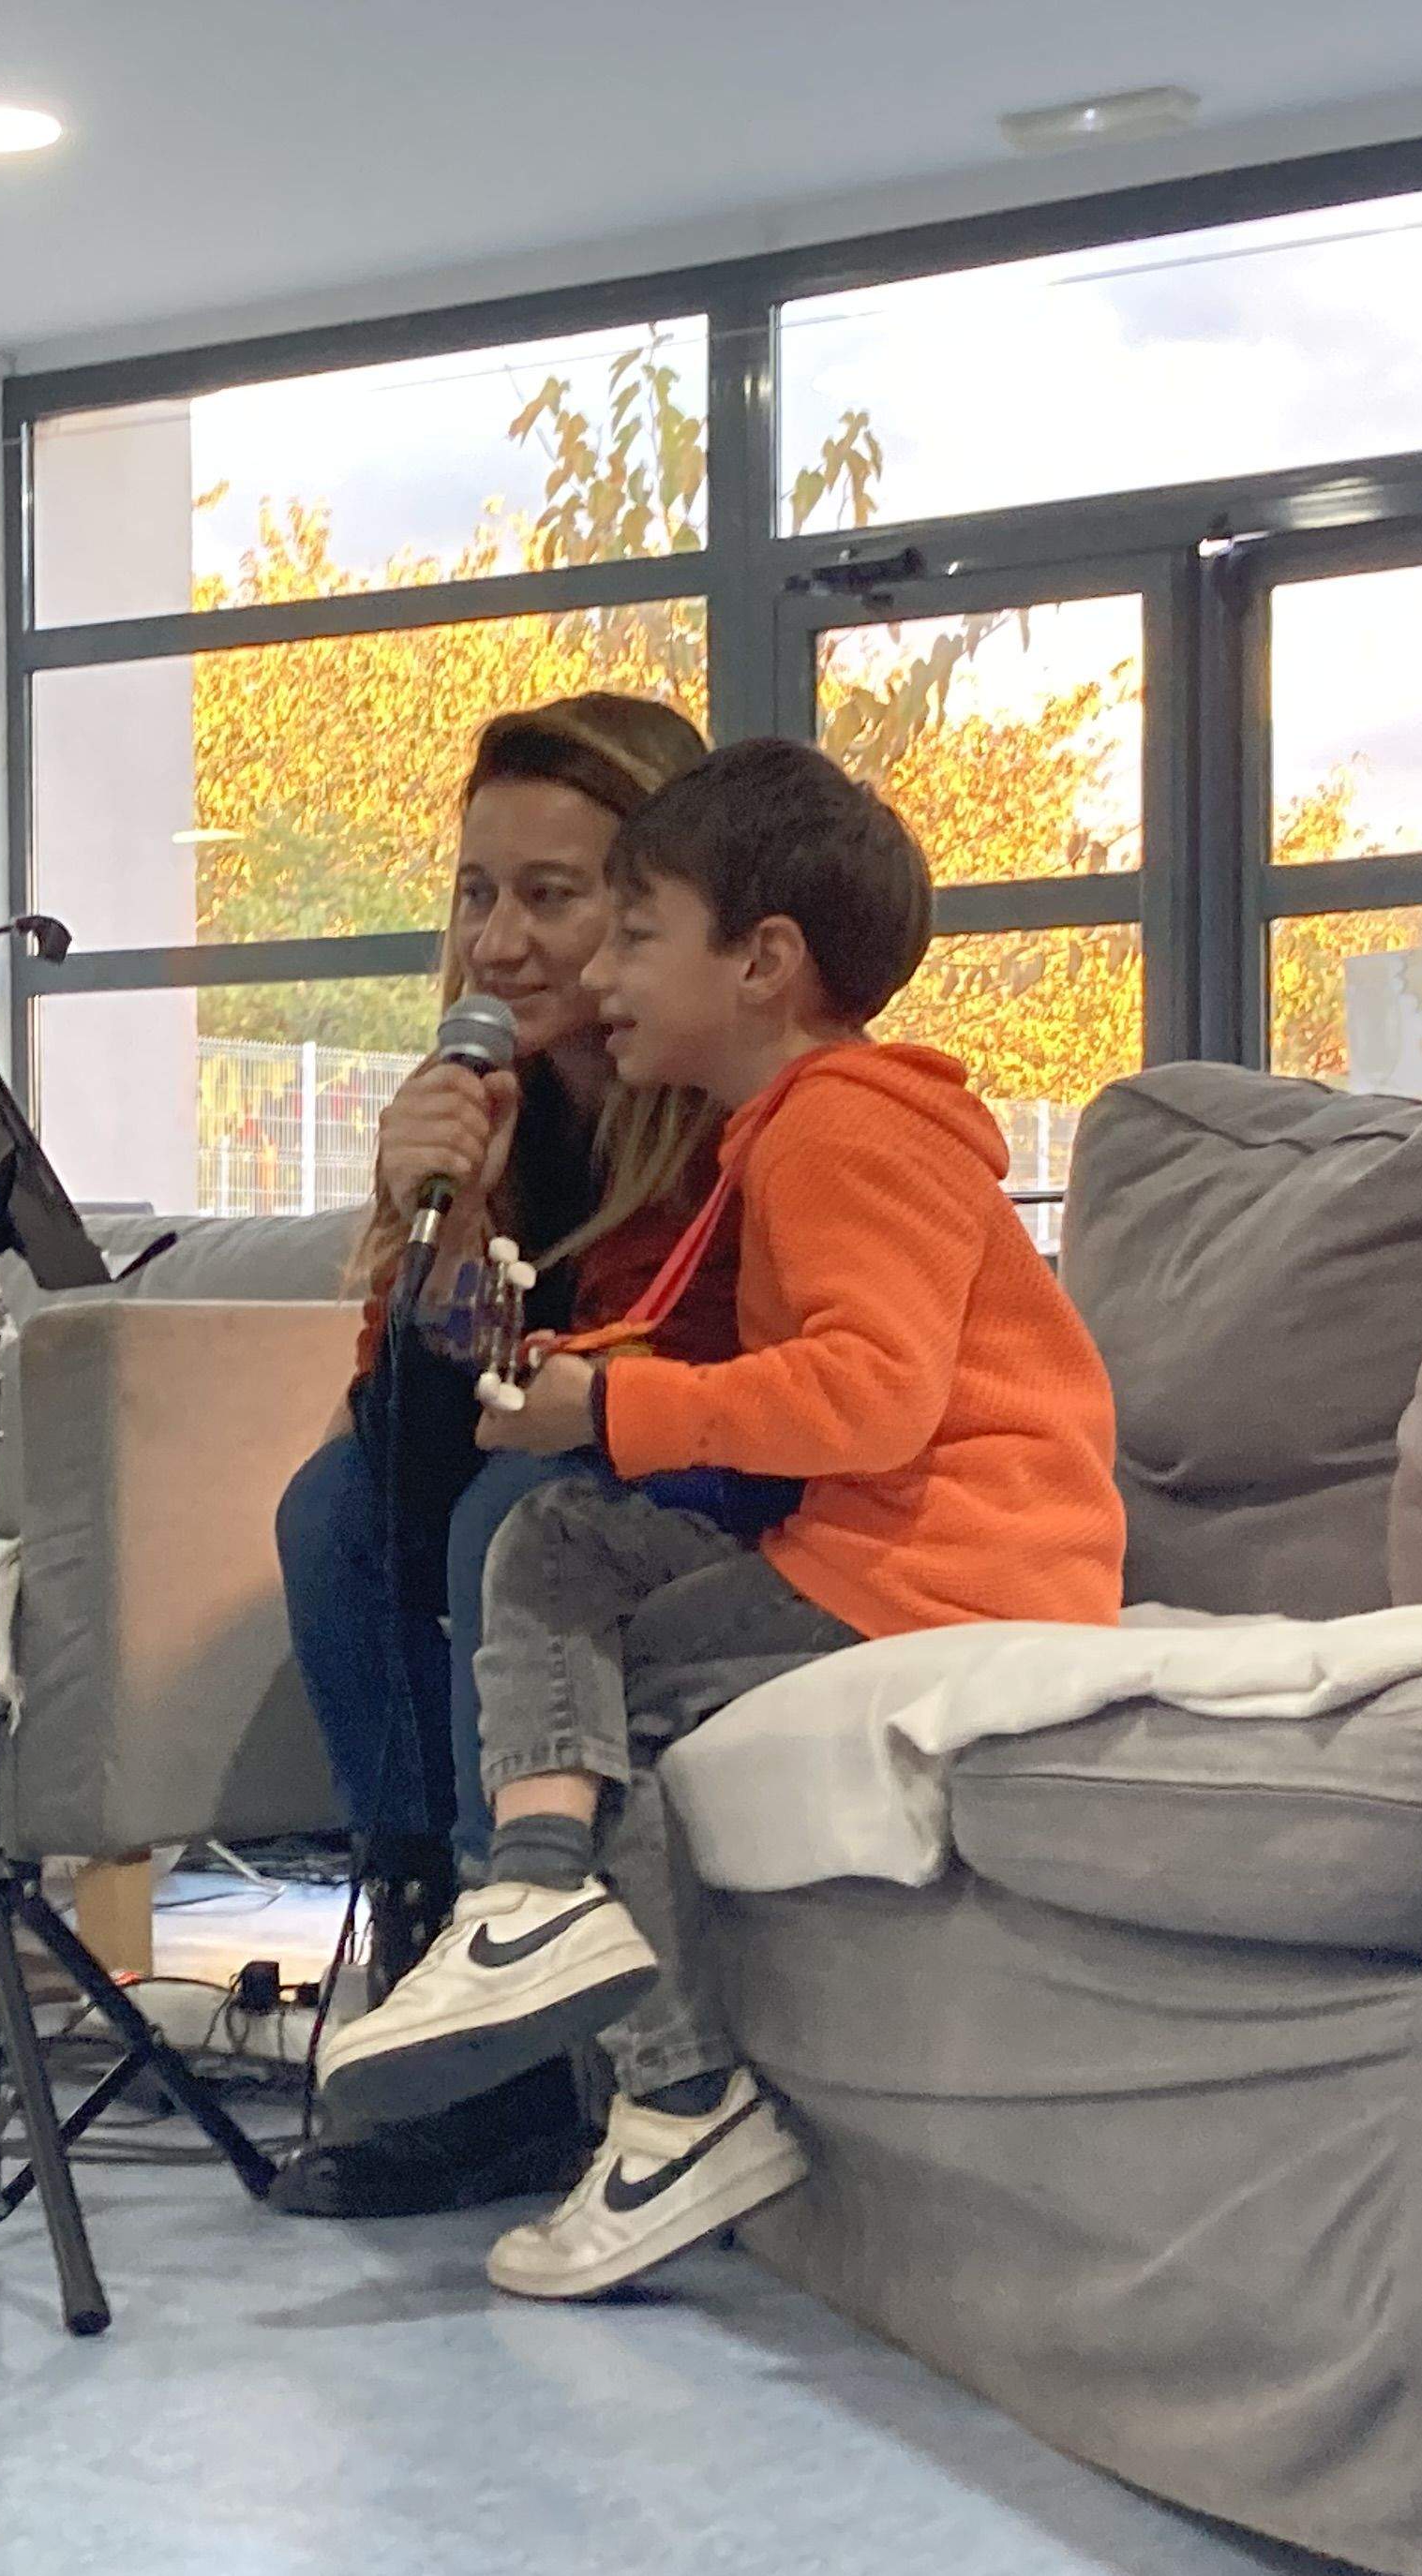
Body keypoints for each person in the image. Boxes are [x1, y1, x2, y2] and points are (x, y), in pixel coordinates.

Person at [312, 736, 1127, 2301]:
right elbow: (433, 1417)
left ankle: (603, 1994)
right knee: (545, 1562)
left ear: (758, 962)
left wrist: (601, 1408)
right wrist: (465, 1251)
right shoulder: (796, 1121)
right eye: (493, 898)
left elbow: (869, 1393)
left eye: (620, 925)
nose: (563, 958)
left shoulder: (837, 1128)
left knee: (553, 1557)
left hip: (941, 1568)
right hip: (888, 1551)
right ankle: (593, 1987)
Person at [263, 692, 742, 2223]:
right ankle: (424, 1942)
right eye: (478, 892)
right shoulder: (495, 1101)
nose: (500, 940)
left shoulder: (735, 1110)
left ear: (658, 903)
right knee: (333, 1508)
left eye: (552, 892)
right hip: (539, 1477)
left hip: (728, 1501)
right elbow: (403, 1432)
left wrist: (518, 1372)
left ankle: (520, 2032)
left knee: (516, 1504)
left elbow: (699, 1387)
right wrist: (437, 1222)